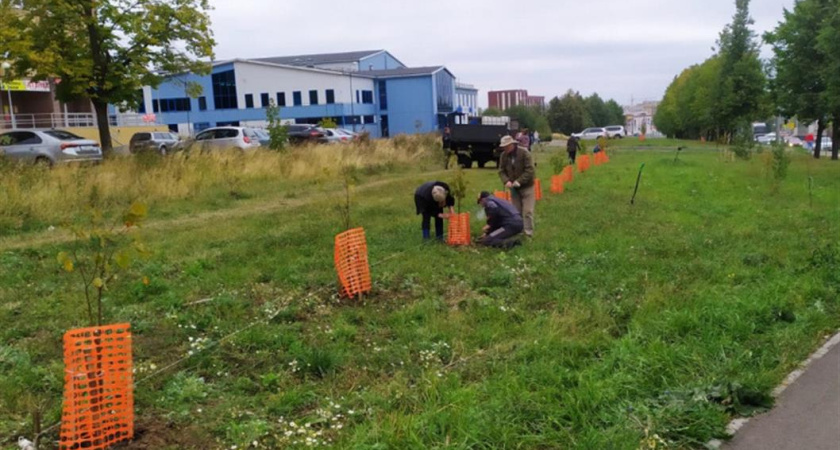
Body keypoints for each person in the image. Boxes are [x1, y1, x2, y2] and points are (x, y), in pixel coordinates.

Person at [498, 135, 536, 237]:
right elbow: (501, 171)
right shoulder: (503, 156)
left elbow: (530, 170)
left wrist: (519, 181)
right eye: (503, 147)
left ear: (512, 145)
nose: (505, 148)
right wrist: (506, 181)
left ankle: (528, 234)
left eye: (506, 146)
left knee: (528, 211)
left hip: (527, 187)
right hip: (514, 189)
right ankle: (518, 232)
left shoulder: (524, 153)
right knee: (516, 212)